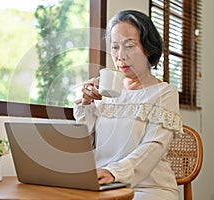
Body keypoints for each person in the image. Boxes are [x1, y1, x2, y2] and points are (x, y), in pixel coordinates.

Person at [73, 10, 183, 200]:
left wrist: (114, 172)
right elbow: (85, 144)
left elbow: (153, 147)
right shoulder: (106, 91)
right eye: (115, 47)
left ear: (148, 49)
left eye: (130, 46)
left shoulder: (165, 92)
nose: (120, 56)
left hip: (149, 189)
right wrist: (86, 104)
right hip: (104, 186)